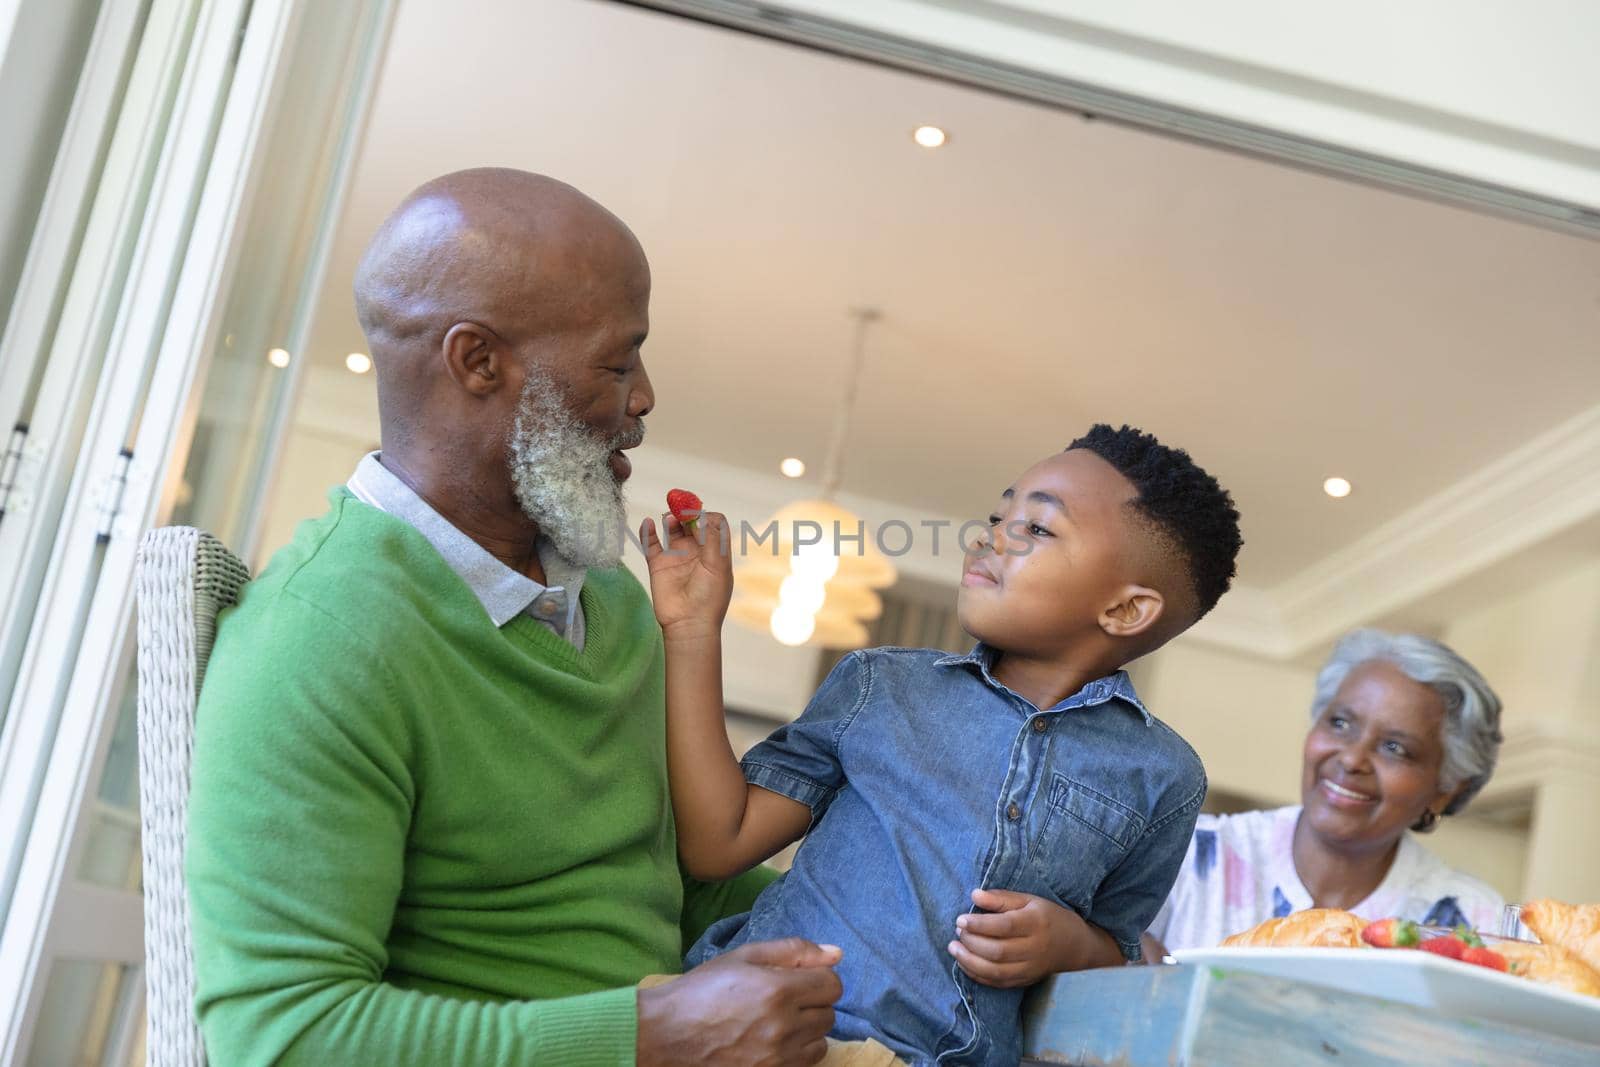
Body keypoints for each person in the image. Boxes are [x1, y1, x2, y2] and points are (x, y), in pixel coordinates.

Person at [186, 169, 844, 1067]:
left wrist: (888, 921)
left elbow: (674, 892)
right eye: (618, 362)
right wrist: (655, 1036)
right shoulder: (322, 636)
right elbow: (282, 1036)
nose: (644, 396)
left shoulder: (610, 602)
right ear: (478, 361)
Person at [641, 425, 1244, 1066]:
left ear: (1126, 611)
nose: (988, 536)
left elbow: (1118, 955)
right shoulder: (880, 685)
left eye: (1036, 529)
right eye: (997, 515)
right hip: (773, 1037)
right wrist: (692, 629)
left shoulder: (1166, 776)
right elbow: (717, 842)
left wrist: (1068, 942)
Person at [1144, 629, 1505, 957]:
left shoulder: (1473, 920)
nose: (1351, 759)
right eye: (1340, 723)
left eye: (1395, 748)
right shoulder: (1187, 855)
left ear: (1445, 788)